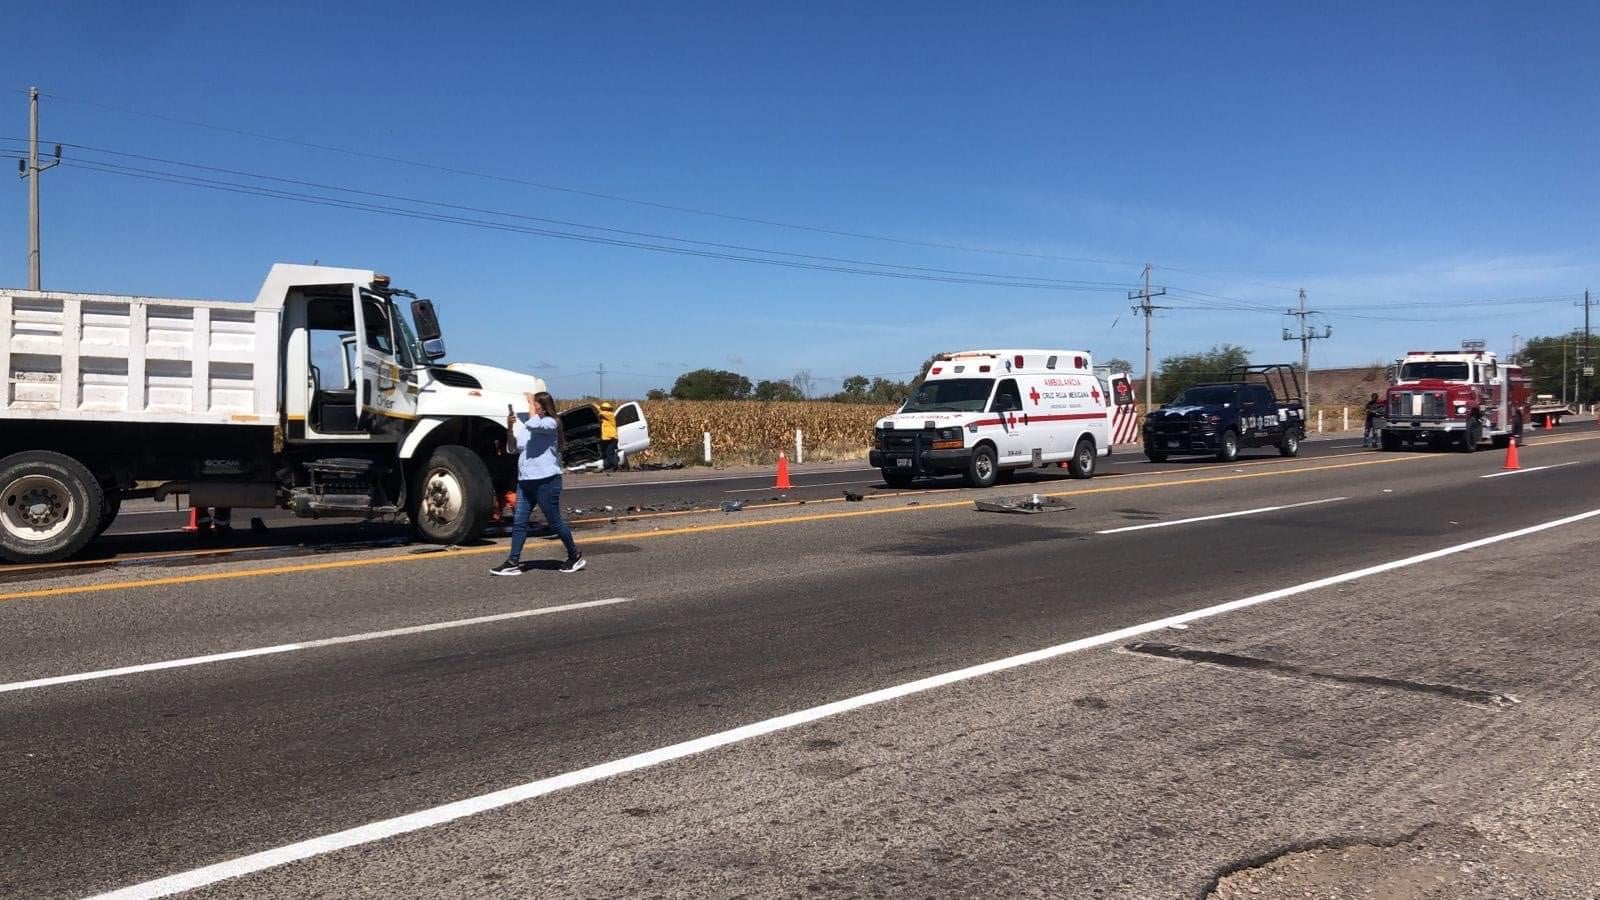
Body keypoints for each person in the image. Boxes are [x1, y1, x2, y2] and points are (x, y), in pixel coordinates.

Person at [491, 391, 586, 576]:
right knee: (519, 522)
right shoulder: (529, 425)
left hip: (546, 481)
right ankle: (512, 561)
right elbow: (514, 448)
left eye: (534, 404)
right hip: (526, 481)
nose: (531, 407)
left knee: (555, 522)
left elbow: (534, 425)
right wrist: (510, 429)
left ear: (542, 406)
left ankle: (574, 555)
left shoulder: (551, 423)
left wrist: (531, 404)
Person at [599, 401, 619, 471]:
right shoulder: (605, 417)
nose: (603, 410)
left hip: (612, 438)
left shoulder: (610, 415)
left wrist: (596, 407)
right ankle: (609, 466)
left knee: (609, 452)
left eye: (604, 409)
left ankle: (614, 466)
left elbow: (600, 413)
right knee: (609, 452)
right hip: (608, 438)